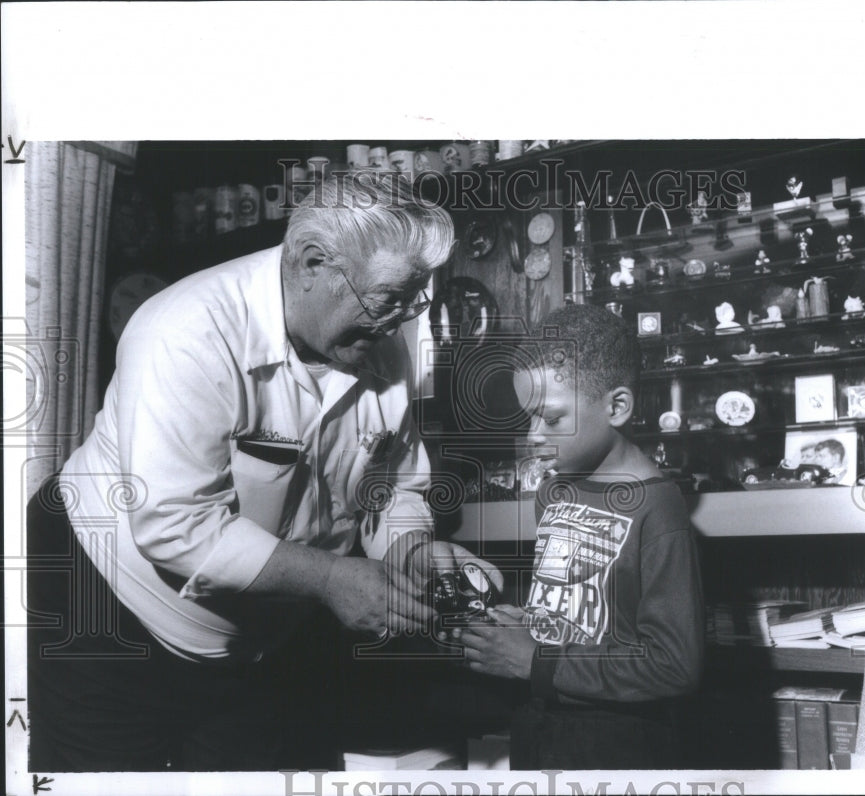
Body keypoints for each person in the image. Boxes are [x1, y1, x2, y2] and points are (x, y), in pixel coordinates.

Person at [27, 173, 500, 771]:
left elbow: (394, 484)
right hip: (102, 603)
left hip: (257, 633)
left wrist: (409, 550)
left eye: (415, 298)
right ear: (311, 263)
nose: (402, 319)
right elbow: (175, 524)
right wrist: (331, 580)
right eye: (388, 299)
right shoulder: (185, 329)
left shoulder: (387, 330)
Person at [454, 304, 704, 770]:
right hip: (539, 729)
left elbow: (674, 665)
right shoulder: (554, 491)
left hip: (617, 747)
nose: (532, 436)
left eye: (550, 419)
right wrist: (526, 623)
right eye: (529, 418)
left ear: (617, 407)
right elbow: (575, 608)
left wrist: (537, 662)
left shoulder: (658, 508)